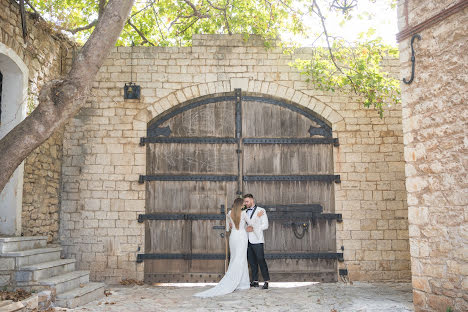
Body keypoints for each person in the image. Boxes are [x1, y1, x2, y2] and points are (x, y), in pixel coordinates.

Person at [193, 198, 264, 298]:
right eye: (243, 203)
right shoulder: (243, 213)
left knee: (235, 258)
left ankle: (242, 283)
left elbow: (228, 227)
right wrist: (258, 216)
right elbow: (251, 223)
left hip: (233, 236)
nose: (244, 205)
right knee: (241, 259)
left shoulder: (229, 213)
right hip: (241, 236)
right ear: (240, 204)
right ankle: (240, 283)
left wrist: (231, 226)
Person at [243, 193, 270, 289]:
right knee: (252, 261)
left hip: (258, 239)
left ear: (252, 200)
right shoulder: (244, 211)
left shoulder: (261, 210)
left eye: (247, 201)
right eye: (245, 202)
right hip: (247, 240)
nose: (245, 203)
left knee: (261, 260)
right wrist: (246, 229)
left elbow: (265, 225)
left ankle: (266, 281)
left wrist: (254, 229)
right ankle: (255, 281)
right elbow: (244, 225)